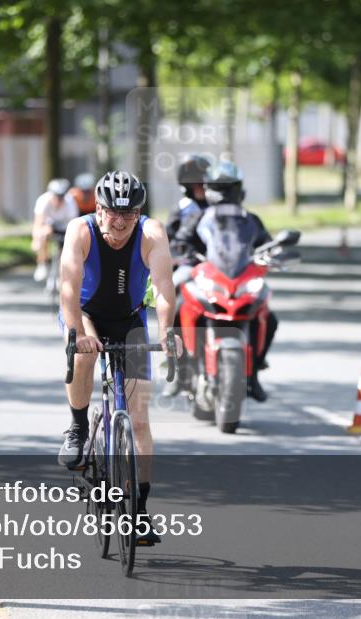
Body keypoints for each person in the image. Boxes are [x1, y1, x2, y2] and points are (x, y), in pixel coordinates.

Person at [57, 171, 180, 546]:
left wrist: (168, 331)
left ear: (139, 210)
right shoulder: (79, 231)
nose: (121, 220)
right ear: (99, 208)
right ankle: (78, 427)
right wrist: (80, 334)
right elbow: (69, 289)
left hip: (129, 320)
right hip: (86, 312)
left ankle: (139, 510)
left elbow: (163, 288)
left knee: (139, 419)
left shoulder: (151, 233)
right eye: (113, 212)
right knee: (84, 355)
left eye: (130, 212)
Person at [171, 161, 277, 403]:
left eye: (230, 187)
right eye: (220, 187)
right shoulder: (199, 217)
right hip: (208, 276)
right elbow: (180, 240)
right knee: (177, 306)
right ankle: (179, 369)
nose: (225, 193)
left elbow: (266, 243)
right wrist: (183, 250)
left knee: (269, 317)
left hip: (240, 278)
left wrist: (272, 253)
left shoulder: (250, 220)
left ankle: (254, 373)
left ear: (239, 189)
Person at [163, 154, 211, 398]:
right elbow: (166, 240)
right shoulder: (182, 209)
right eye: (196, 183)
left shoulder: (221, 205)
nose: (201, 187)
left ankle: (249, 367)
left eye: (204, 181)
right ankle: (179, 370)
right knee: (176, 304)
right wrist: (175, 254)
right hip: (189, 266)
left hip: (219, 270)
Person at [32, 178, 78, 283]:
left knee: (65, 250)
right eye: (56, 196)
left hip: (65, 227)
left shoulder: (70, 203)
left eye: (61, 197)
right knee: (43, 233)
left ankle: (61, 274)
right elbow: (38, 223)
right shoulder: (43, 201)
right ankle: (42, 264)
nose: (58, 200)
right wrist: (36, 240)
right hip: (49, 225)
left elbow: (74, 226)